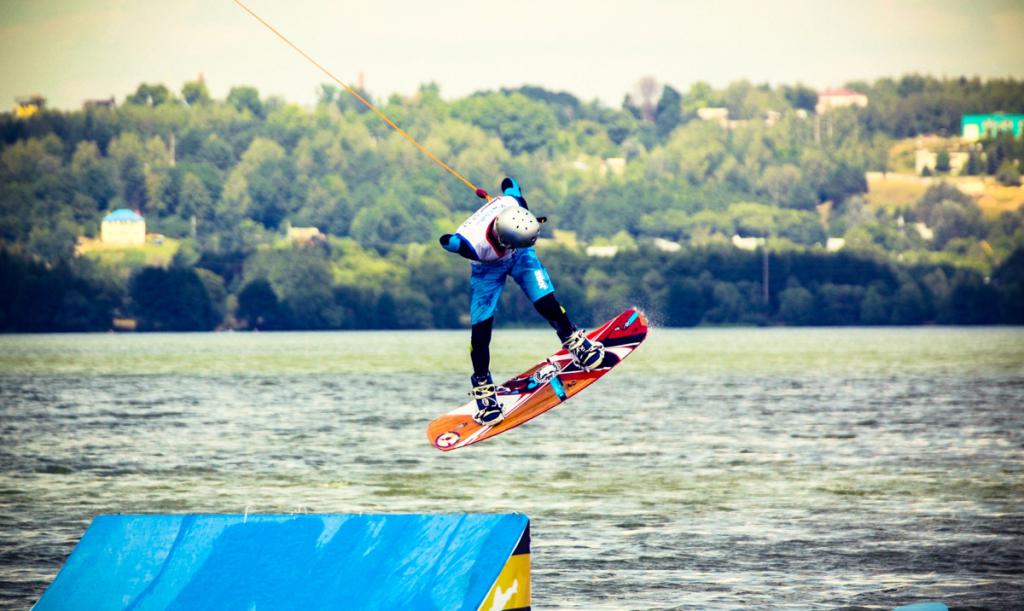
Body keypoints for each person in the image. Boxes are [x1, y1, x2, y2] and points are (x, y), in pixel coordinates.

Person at [439, 178, 604, 425]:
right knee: (480, 334)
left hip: (521, 253)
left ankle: (573, 341)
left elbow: (510, 184)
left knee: (546, 301)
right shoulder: (473, 245)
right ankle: (484, 389)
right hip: (488, 269)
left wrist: (509, 192)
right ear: (505, 241)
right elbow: (449, 242)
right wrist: (452, 242)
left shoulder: (514, 204)